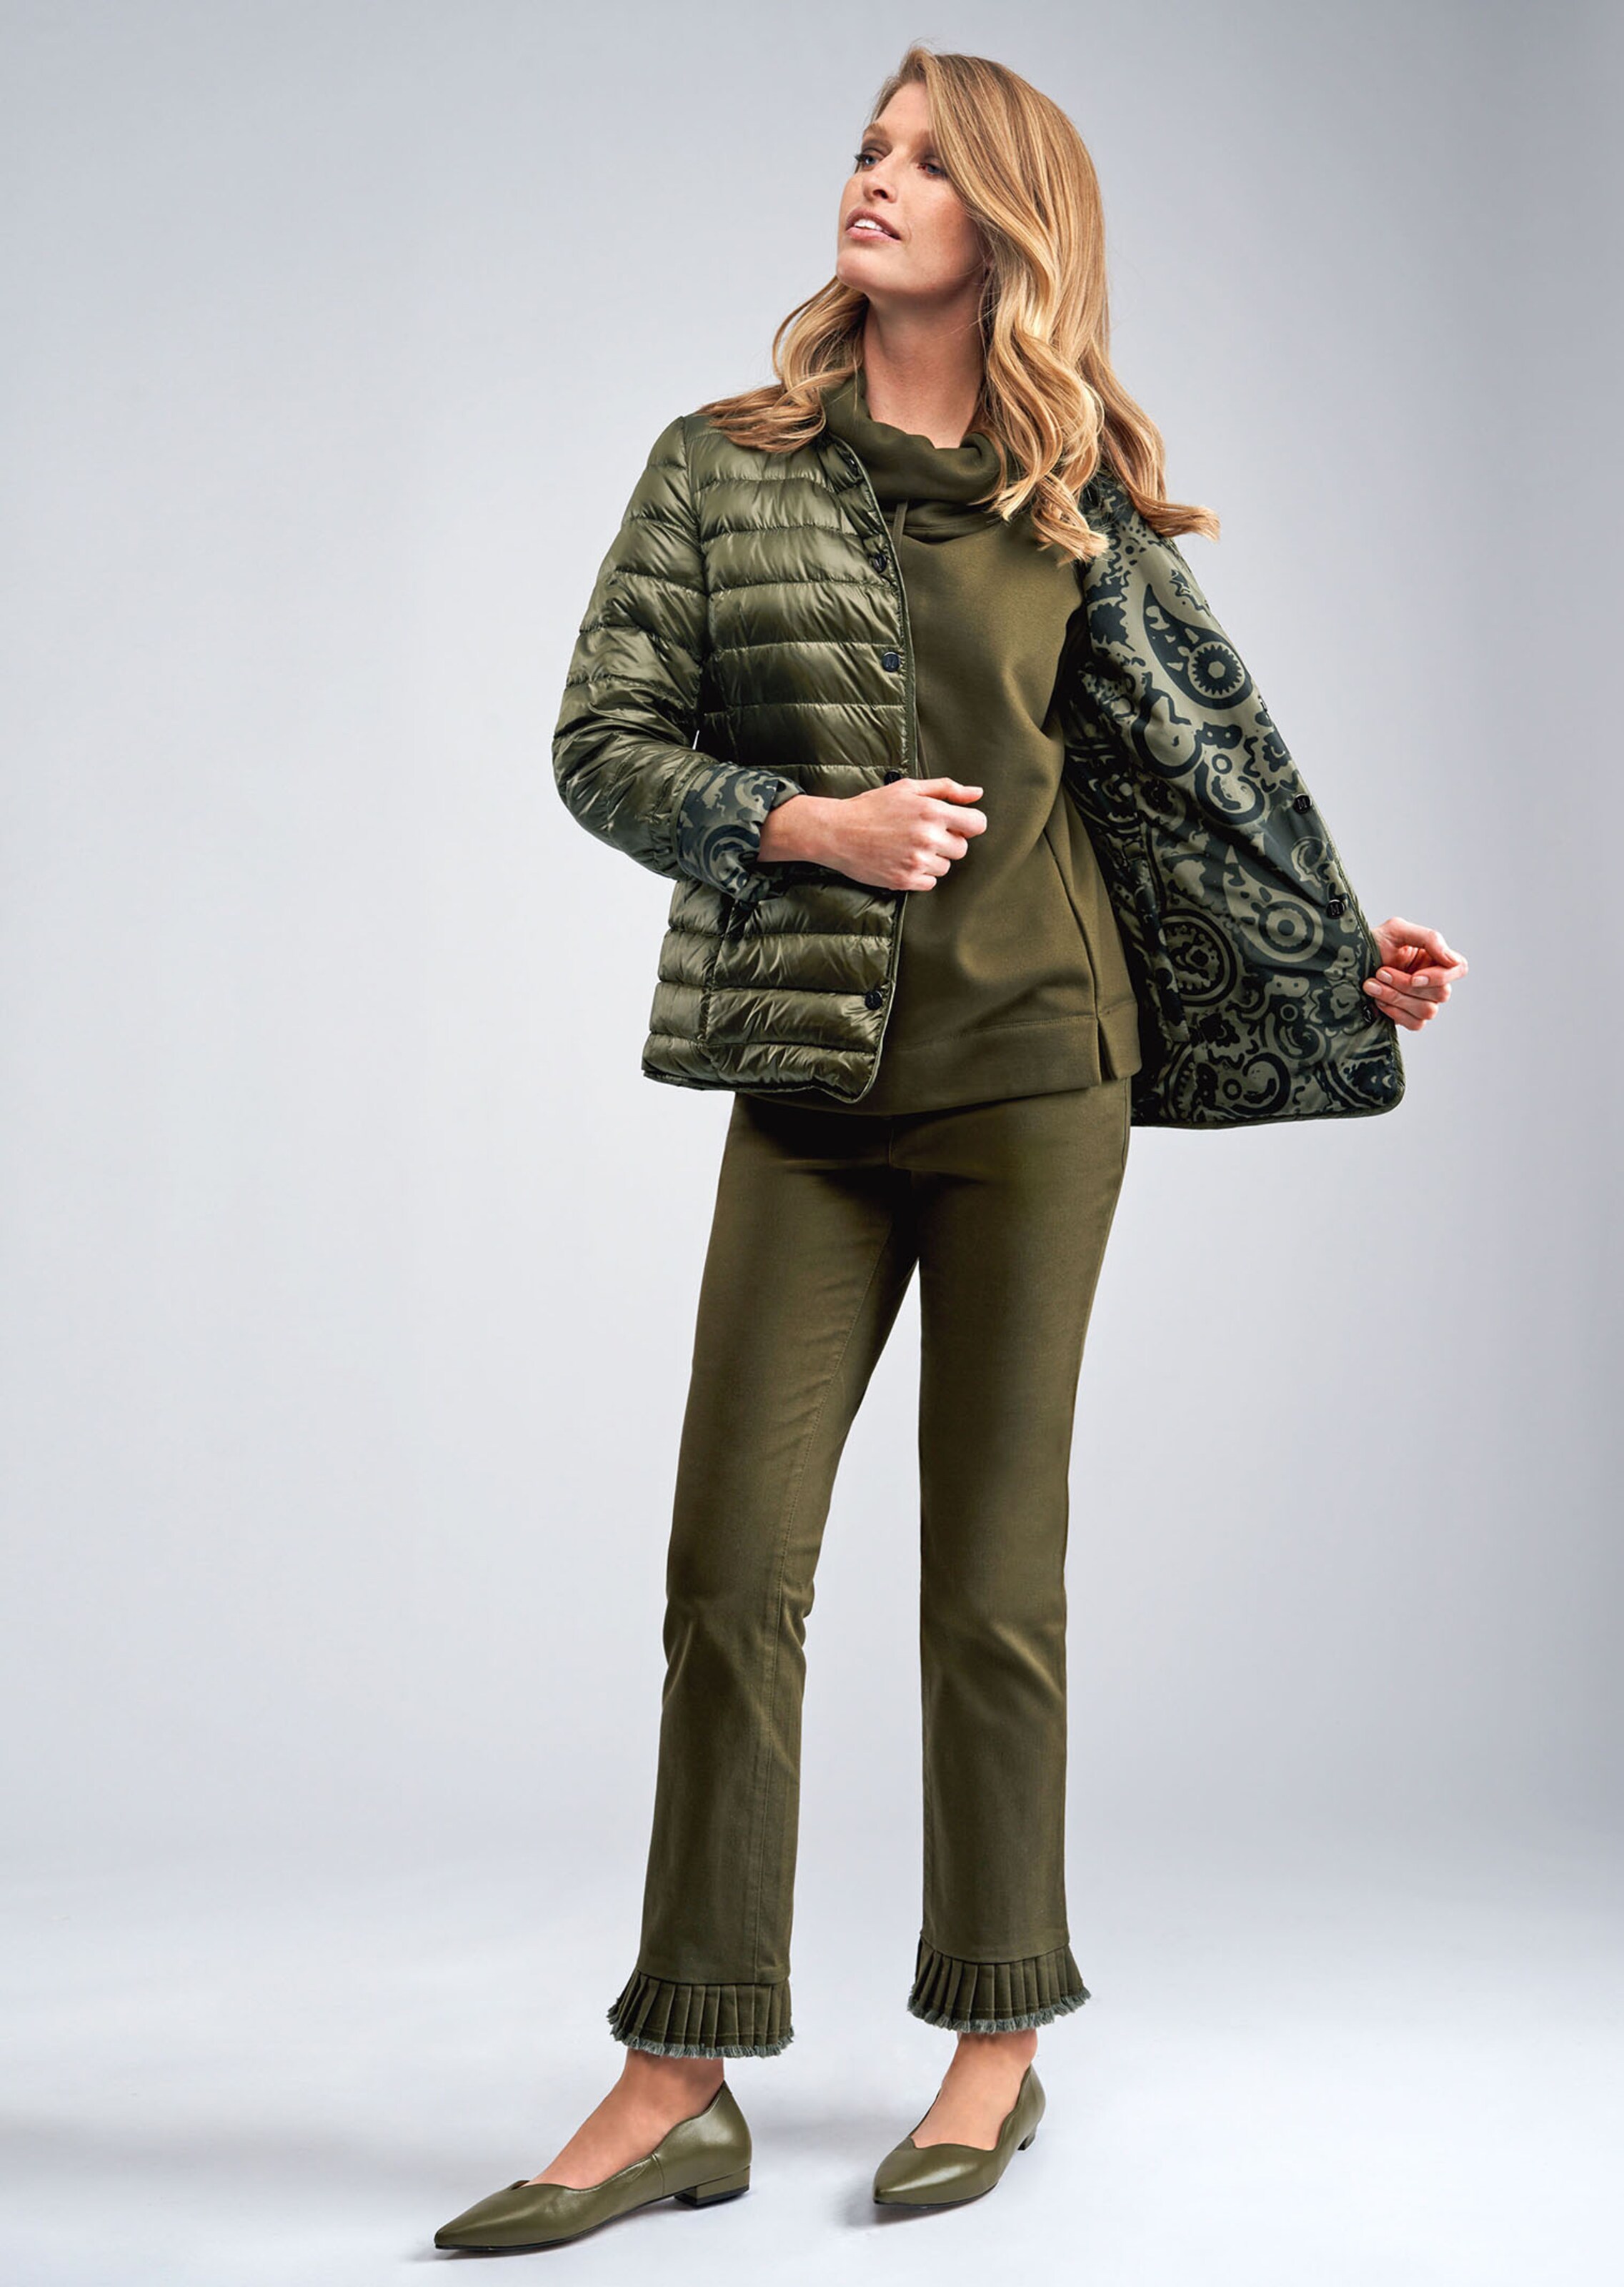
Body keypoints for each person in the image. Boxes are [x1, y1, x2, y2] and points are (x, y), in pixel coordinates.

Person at [434, 42, 1468, 2254]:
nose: (872, 181)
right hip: (810, 1080)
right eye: (862, 147)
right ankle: (679, 2070)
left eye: (922, 160)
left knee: (992, 1582)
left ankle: (997, 2037)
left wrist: (1336, 954)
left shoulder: (1064, 494)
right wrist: (798, 823)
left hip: (1037, 1075)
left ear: (1007, 219)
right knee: (730, 1574)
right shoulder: (720, 465)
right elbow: (599, 743)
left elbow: (1196, 785)